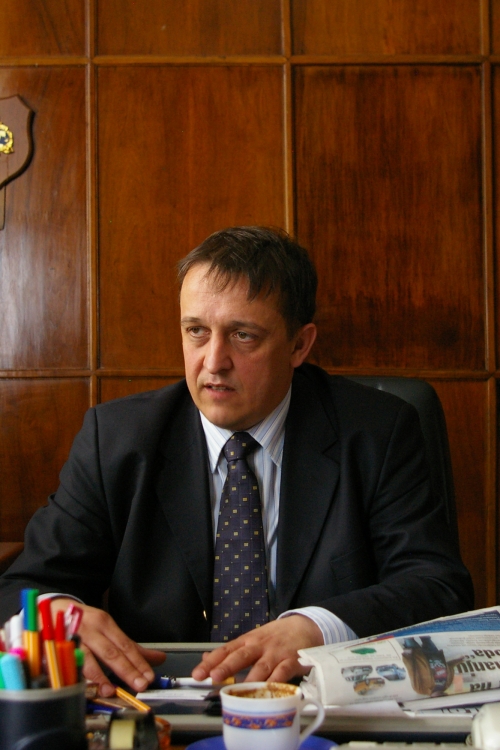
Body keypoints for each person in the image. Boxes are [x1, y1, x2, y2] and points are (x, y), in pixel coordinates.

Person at [0, 226, 474, 698]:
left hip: (316, 704)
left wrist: (317, 626)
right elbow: (23, 585)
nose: (213, 362)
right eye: (196, 331)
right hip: (156, 703)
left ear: (299, 345)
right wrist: (58, 614)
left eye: (243, 336)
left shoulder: (376, 431)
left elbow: (436, 585)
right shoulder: (117, 439)